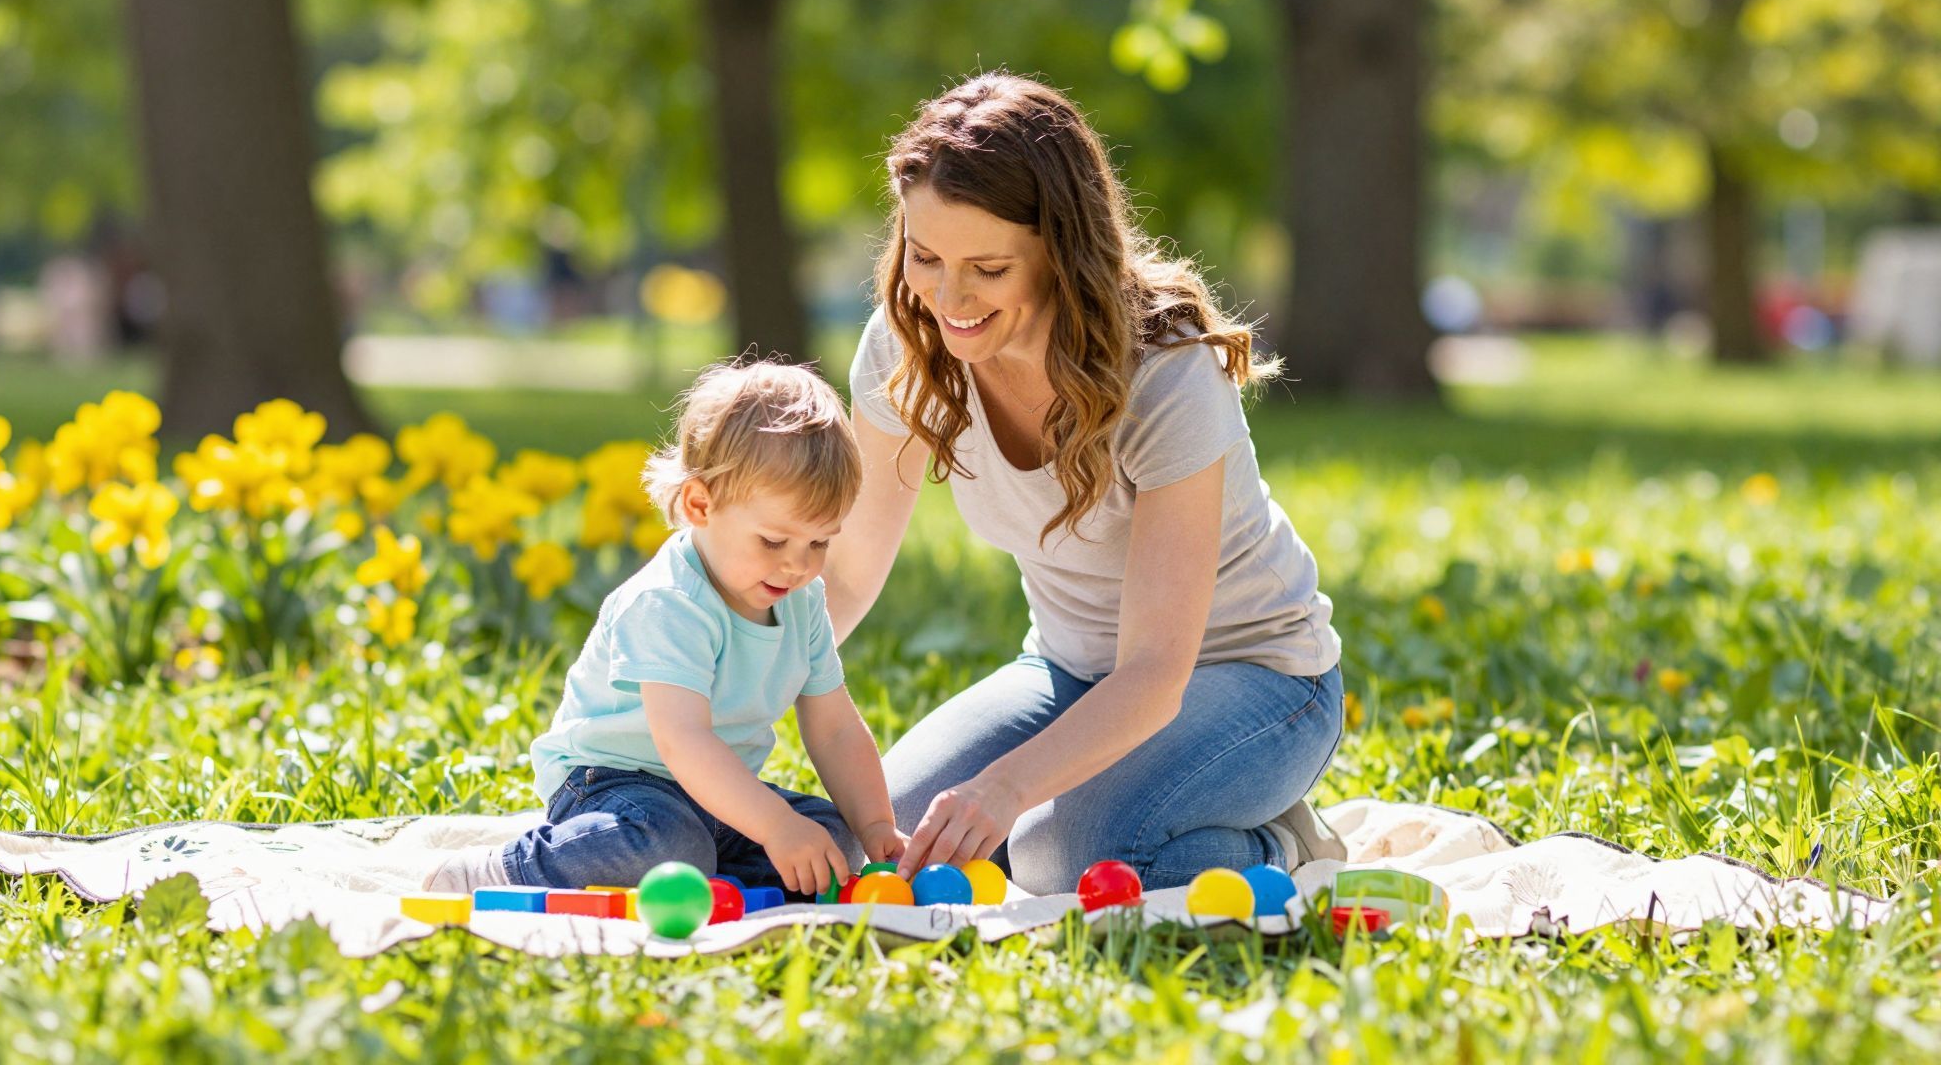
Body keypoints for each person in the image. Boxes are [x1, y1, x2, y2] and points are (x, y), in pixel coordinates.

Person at [828, 72, 1347, 895]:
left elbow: (1152, 671)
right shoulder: (909, 347)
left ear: (1061, 252)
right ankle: (1111, 807)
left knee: (1064, 855)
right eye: (924, 257)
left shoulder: (1164, 372)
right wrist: (727, 687)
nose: (947, 297)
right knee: (877, 840)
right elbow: (846, 574)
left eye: (988, 269)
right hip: (1071, 675)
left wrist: (1008, 787)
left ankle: (1286, 850)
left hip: (1260, 682)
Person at [426, 361, 904, 896]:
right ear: (701, 504)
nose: (798, 565)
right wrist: (774, 826)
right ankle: (508, 867)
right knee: (668, 846)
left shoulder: (801, 600)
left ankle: (708, 881)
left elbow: (834, 727)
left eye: (819, 542)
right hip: (613, 783)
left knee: (832, 839)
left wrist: (874, 824)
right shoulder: (669, 603)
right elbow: (684, 742)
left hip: (718, 796)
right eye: (773, 541)